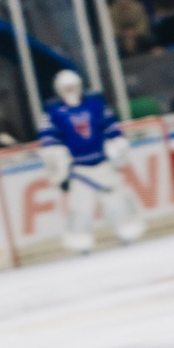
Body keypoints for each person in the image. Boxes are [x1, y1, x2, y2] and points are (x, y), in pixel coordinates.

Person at [41, 69, 145, 254]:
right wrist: (59, 172)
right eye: (66, 88)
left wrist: (118, 145)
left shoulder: (95, 104)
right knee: (80, 208)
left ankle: (126, 231)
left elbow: (111, 127)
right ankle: (81, 242)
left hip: (102, 163)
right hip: (78, 170)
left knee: (116, 200)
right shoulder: (53, 112)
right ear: (59, 90)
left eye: (73, 86)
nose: (71, 90)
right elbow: (50, 145)